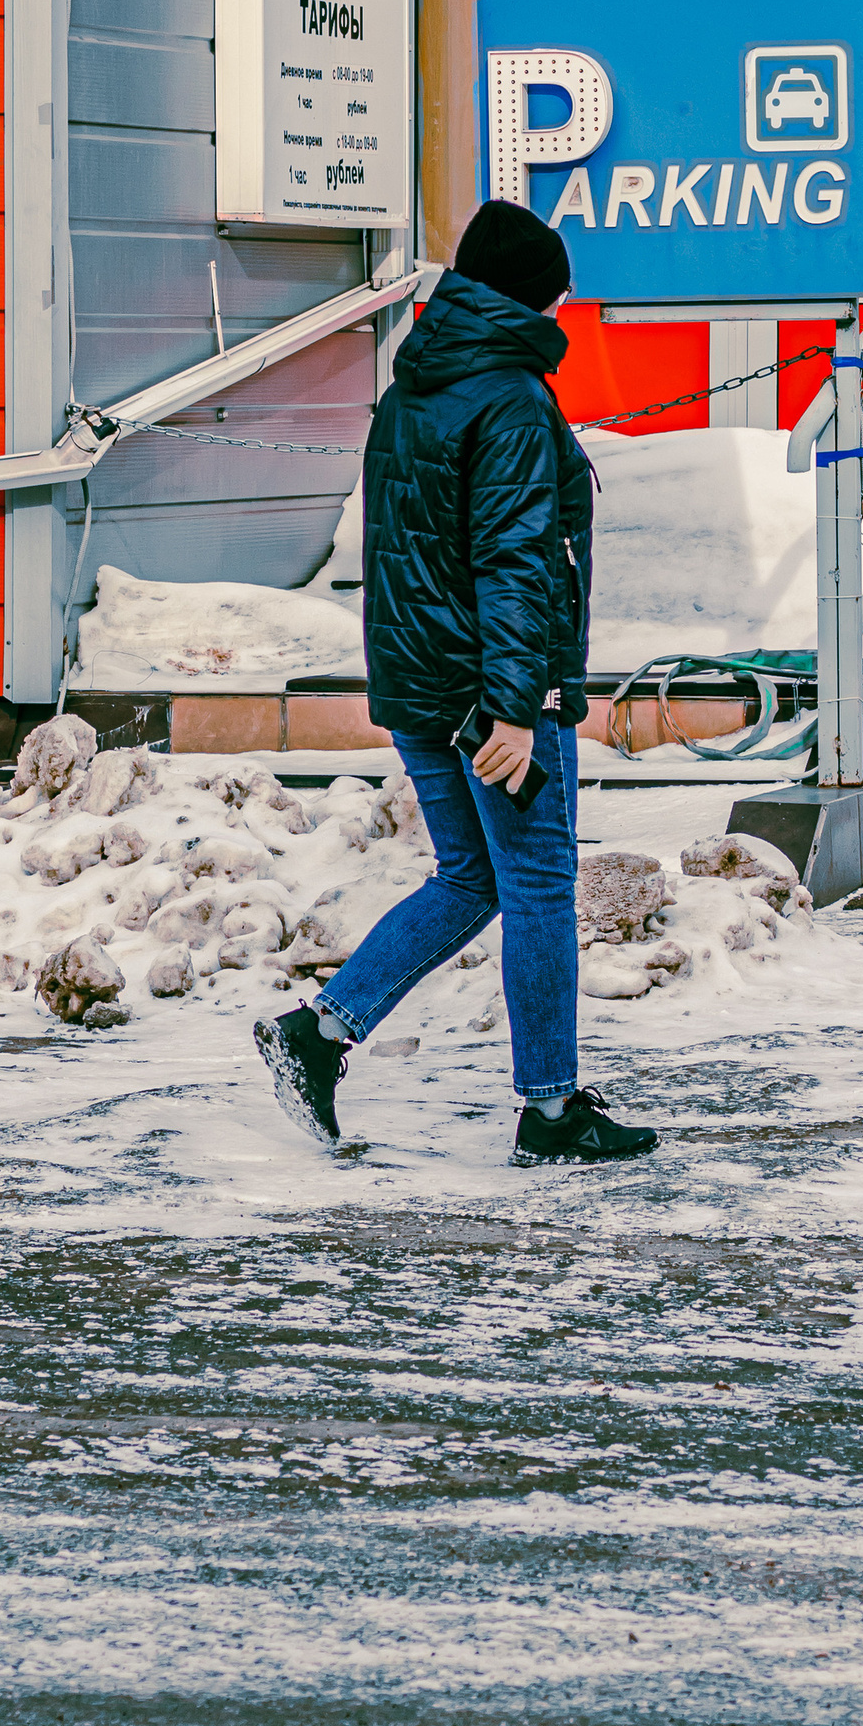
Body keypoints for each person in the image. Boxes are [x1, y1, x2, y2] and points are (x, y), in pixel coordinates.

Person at [255, 199, 657, 1166]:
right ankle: (551, 1112)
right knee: (537, 887)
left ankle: (318, 1032)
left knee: (473, 876)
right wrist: (520, 707)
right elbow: (517, 560)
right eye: (557, 294)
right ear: (528, 294)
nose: (564, 312)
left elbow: (405, 556)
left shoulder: (417, 387)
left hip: (420, 681)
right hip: (489, 695)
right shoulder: (512, 399)